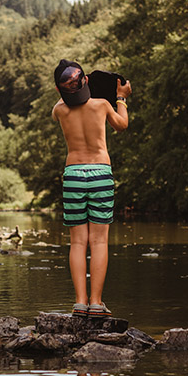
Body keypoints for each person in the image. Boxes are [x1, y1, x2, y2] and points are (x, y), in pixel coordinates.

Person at [51, 59, 130, 318]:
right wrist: (121, 97)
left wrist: (68, 90)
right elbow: (122, 125)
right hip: (100, 174)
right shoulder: (102, 105)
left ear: (59, 90)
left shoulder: (59, 110)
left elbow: (66, 98)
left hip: (73, 174)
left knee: (77, 242)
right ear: (85, 81)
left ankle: (79, 303)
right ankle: (96, 303)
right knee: (99, 241)